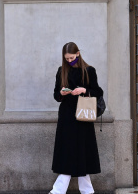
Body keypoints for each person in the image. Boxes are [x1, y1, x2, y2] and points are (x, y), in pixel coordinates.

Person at [50, 42, 103, 194]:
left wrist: (84, 90)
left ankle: (60, 191)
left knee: (82, 152)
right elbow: (55, 95)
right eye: (66, 58)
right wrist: (62, 92)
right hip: (66, 117)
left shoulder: (89, 70)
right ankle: (83, 191)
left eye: (71, 57)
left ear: (78, 54)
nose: (69, 61)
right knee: (68, 151)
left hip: (83, 116)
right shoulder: (61, 71)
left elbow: (98, 91)